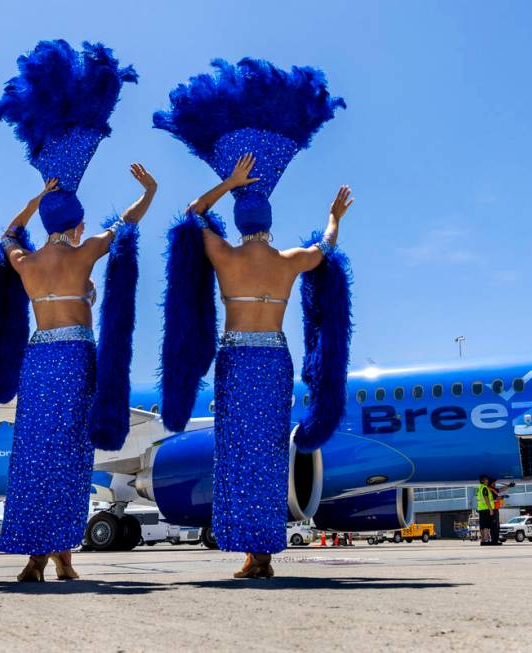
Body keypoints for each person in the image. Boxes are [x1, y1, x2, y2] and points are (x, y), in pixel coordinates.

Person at [0, 40, 146, 583]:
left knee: (33, 457)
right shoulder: (84, 253)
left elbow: (7, 233)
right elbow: (126, 223)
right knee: (70, 459)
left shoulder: (27, 260)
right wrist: (147, 190)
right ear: (77, 221)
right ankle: (62, 558)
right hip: (76, 356)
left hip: (39, 358)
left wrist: (36, 199)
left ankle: (35, 556)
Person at [154, 59, 351, 579]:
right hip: (275, 359)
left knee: (237, 454)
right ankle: (262, 550)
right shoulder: (289, 261)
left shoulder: (226, 257)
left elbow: (192, 213)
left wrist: (230, 181)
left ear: (241, 222)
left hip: (237, 359)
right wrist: (335, 215)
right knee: (267, 455)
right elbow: (327, 246)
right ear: (270, 221)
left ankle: (249, 552)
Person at [488, 479, 515, 544]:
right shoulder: (490, 489)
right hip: (493, 509)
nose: (495, 484)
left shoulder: (493, 489)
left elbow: (500, 490)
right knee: (495, 526)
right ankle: (494, 540)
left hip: (495, 509)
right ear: (491, 483)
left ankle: (495, 539)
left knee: (496, 526)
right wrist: (502, 497)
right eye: (494, 483)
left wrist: (508, 486)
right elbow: (494, 498)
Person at [476, 475, 495, 545]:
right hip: (486, 509)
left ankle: (483, 540)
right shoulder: (484, 488)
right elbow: (486, 498)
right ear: (483, 481)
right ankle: (486, 540)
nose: (488, 481)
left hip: (481, 509)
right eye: (486, 480)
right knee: (486, 526)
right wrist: (490, 509)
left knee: (482, 525)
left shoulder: (479, 488)